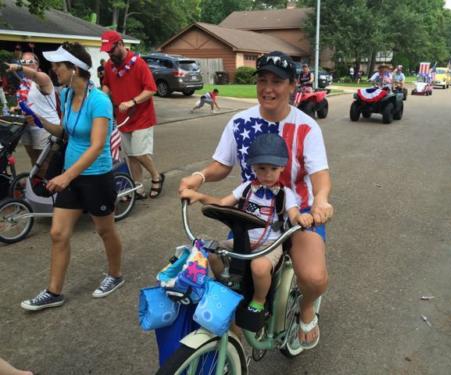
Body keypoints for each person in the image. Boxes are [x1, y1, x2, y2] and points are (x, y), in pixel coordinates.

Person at [178, 50, 333, 350]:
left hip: (298, 215)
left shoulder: (306, 127)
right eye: (262, 80)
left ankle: (306, 308)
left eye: (277, 81)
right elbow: (221, 165)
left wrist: (321, 201)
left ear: (291, 86)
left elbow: (320, 175)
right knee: (230, 279)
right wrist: (198, 178)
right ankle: (235, 345)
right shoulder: (240, 122)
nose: (268, 88)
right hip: (251, 213)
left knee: (313, 278)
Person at [20, 42, 124, 311]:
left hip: (96, 176)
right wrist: (39, 120)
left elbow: (97, 145)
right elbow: (65, 132)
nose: (53, 70)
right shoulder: (66, 95)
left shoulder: (99, 101)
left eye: (58, 65)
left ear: (75, 69)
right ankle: (54, 292)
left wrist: (66, 176)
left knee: (104, 229)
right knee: (57, 233)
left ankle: (114, 275)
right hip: (71, 175)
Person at [181, 133, 314, 320]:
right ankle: (225, 287)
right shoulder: (246, 188)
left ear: (282, 168)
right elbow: (222, 203)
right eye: (261, 168)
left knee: (259, 267)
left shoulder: (286, 194)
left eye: (273, 169)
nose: (267, 174)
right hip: (243, 239)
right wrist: (200, 197)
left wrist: (303, 218)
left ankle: (259, 302)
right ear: (253, 167)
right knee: (211, 252)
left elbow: (293, 214)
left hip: (270, 245)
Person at [100, 30, 164, 199]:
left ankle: (156, 176)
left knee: (139, 152)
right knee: (130, 156)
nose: (109, 54)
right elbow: (106, 85)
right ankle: (138, 186)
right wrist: (101, 97)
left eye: (111, 50)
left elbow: (151, 89)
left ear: (120, 44)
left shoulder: (139, 64)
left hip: (142, 115)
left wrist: (132, 102)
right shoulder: (109, 66)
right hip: (122, 118)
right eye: (106, 51)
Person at [6, 52, 60, 170]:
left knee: (45, 163)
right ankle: (35, 184)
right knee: (34, 161)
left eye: (30, 62)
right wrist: (17, 108)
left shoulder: (42, 77)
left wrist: (19, 67)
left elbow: (34, 75)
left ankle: (45, 187)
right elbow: (28, 102)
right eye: (23, 62)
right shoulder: (23, 83)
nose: (26, 64)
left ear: (37, 64)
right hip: (28, 126)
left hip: (45, 127)